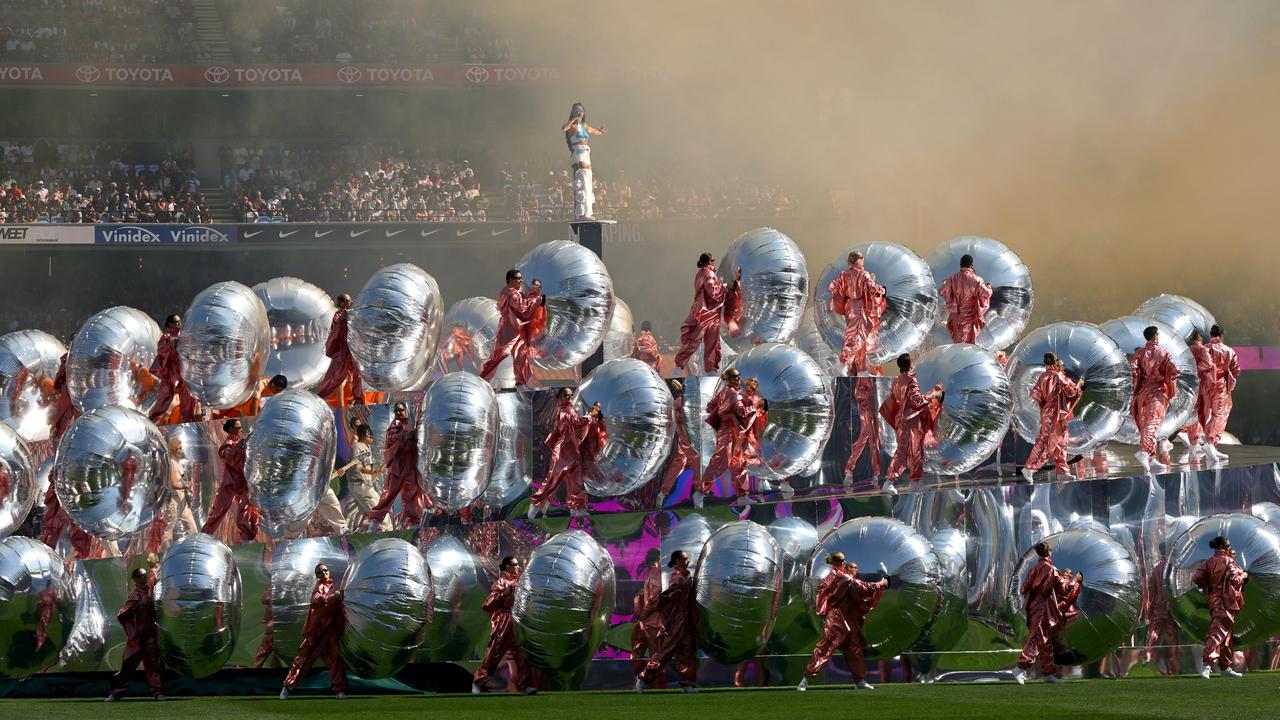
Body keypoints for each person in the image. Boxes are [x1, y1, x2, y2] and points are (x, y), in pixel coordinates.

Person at [797, 552, 888, 691]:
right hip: (837, 618)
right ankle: (805, 679)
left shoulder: (837, 576)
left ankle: (860, 681)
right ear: (835, 563)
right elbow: (860, 585)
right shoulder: (839, 576)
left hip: (848, 617)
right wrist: (880, 583)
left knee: (854, 649)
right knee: (825, 648)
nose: (844, 563)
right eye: (842, 561)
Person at [527, 387, 605, 520]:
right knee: (553, 479)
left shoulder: (569, 409)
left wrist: (592, 417)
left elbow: (578, 424)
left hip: (573, 452)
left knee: (576, 481)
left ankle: (578, 508)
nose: (568, 397)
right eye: (565, 395)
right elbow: (575, 422)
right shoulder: (563, 411)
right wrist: (589, 416)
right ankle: (536, 504)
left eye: (570, 394)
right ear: (560, 397)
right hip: (562, 452)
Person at [1012, 542, 1082, 685]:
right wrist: (1074, 580)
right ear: (1049, 552)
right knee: (1038, 638)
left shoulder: (1035, 569)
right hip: (1044, 608)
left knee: (1046, 641)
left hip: (1034, 607)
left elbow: (1023, 589)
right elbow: (1063, 589)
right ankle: (1020, 668)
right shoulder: (1052, 570)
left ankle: (1048, 673)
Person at [697, 368, 766, 509]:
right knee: (721, 460)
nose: (738, 379)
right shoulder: (733, 394)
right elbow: (742, 412)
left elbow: (710, 407)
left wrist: (724, 414)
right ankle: (701, 492)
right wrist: (755, 406)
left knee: (739, 461)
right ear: (729, 379)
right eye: (735, 377)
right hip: (729, 431)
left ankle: (742, 496)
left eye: (739, 376)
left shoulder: (724, 392)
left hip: (733, 430)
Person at [280, 563, 348, 699]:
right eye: (320, 572)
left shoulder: (335, 586)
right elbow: (316, 600)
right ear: (317, 575)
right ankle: (287, 687)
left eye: (325, 570)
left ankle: (339, 689)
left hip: (330, 631)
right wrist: (333, 597)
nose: (324, 573)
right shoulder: (319, 587)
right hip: (316, 630)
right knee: (303, 659)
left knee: (334, 659)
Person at [472, 556, 538, 695]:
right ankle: (479, 681)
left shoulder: (523, 582)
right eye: (515, 564)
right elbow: (488, 604)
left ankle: (526, 685)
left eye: (518, 564)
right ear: (507, 566)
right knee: (494, 653)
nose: (518, 567)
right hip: (504, 621)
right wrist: (503, 595)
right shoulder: (501, 582)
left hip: (519, 621)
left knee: (522, 654)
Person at [635, 551, 698, 694]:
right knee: (664, 653)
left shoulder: (685, 577)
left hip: (686, 621)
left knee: (687, 652)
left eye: (687, 559)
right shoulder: (677, 578)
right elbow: (666, 598)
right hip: (675, 622)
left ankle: (687, 684)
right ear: (677, 562)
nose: (687, 561)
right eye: (684, 559)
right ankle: (644, 679)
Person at [880, 354, 944, 495]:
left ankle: (915, 482)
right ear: (910, 365)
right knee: (903, 453)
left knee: (916, 452)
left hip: (905, 421)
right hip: (909, 421)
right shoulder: (911, 381)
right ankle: (889, 481)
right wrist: (933, 394)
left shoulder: (897, 381)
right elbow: (917, 402)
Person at [106, 556, 165, 701]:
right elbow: (123, 613)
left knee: (154, 664)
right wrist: (138, 606)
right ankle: (116, 692)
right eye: (140, 576)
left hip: (150, 635)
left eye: (144, 575)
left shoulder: (151, 591)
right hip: (138, 637)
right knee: (128, 665)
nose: (143, 578)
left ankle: (158, 692)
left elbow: (155, 579)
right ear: (135, 579)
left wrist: (154, 567)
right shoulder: (136, 595)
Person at [673, 253, 740, 376]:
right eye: (712, 261)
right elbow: (713, 292)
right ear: (709, 262)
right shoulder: (708, 274)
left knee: (707, 342)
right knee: (703, 341)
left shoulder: (701, 274)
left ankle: (706, 370)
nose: (714, 263)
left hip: (709, 312)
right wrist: (727, 287)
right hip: (706, 313)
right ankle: (683, 369)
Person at [1020, 354, 1084, 483]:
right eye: (1061, 364)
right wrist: (1079, 386)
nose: (1062, 367)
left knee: (1060, 441)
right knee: (1048, 441)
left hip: (1049, 411)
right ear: (1055, 362)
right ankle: (1030, 467)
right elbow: (1070, 392)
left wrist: (1045, 404)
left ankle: (1062, 471)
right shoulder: (1058, 375)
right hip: (1056, 412)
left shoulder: (1043, 376)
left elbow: (1035, 393)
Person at [478, 269, 546, 388]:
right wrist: (536, 299)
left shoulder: (512, 292)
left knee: (521, 355)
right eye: (518, 278)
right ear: (510, 280)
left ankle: (521, 383)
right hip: (509, 330)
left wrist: (532, 294)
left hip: (517, 329)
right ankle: (483, 379)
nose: (520, 280)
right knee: (500, 354)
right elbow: (523, 308)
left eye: (520, 278)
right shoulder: (511, 293)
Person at [366, 402, 429, 530]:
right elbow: (392, 438)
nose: (399, 413)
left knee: (412, 492)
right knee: (389, 494)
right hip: (398, 466)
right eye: (397, 411)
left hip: (410, 464)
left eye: (401, 410)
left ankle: (414, 520)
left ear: (406, 410)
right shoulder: (394, 426)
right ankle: (375, 521)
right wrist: (404, 436)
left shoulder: (410, 423)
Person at [1194, 536, 1247, 679]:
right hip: (1226, 601)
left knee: (1226, 633)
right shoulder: (1229, 561)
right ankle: (1207, 664)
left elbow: (1197, 578)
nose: (1230, 548)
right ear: (1224, 547)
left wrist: (1210, 586)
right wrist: (1244, 575)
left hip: (1214, 600)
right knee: (1218, 632)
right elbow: (1235, 579)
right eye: (1228, 545)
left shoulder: (1208, 562)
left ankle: (1225, 667)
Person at [200, 419, 259, 544]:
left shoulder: (241, 441)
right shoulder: (228, 444)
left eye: (240, 427)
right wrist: (241, 446)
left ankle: (247, 537)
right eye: (238, 427)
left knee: (247, 508)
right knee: (218, 511)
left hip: (242, 481)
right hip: (230, 483)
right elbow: (229, 459)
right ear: (231, 429)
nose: (240, 430)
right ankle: (204, 535)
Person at [828, 250, 887, 375]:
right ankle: (843, 363)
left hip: (850, 307)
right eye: (862, 258)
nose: (863, 260)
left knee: (862, 338)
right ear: (858, 259)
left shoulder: (845, 274)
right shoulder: (862, 274)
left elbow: (833, 286)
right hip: (860, 308)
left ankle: (862, 368)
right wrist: (881, 289)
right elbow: (872, 287)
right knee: (857, 336)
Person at [1130, 326, 1180, 473]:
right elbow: (1175, 370)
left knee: (1146, 424)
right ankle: (1144, 451)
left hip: (1142, 393)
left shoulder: (1139, 353)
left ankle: (1151, 458)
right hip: (1156, 393)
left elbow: (1132, 370)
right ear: (1156, 336)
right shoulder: (1163, 353)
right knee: (1153, 423)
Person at [313, 294, 364, 406]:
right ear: (340, 303)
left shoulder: (354, 313)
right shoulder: (339, 315)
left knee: (358, 374)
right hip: (343, 351)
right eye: (346, 301)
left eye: (350, 300)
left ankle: (358, 400)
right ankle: (323, 398)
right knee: (336, 376)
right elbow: (336, 329)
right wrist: (343, 320)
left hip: (353, 350)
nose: (349, 302)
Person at [148, 314, 198, 424]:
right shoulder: (167, 336)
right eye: (176, 322)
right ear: (170, 324)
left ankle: (188, 419)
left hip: (184, 371)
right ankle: (153, 420)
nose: (179, 324)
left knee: (188, 395)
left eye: (180, 321)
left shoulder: (184, 335)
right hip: (171, 371)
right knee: (166, 396)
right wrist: (171, 346)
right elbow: (161, 350)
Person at [657, 380, 700, 507]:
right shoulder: (682, 402)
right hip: (688, 437)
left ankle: (663, 492)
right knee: (697, 460)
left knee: (679, 462)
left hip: (684, 437)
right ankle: (699, 492)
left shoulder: (679, 402)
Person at [562, 102, 607, 220]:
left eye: (580, 110)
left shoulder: (585, 126)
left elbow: (594, 131)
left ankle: (588, 212)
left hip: (586, 152)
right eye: (576, 110)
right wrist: (574, 119)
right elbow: (564, 128)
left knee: (588, 179)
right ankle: (580, 213)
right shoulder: (572, 126)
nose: (579, 112)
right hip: (577, 151)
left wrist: (601, 131)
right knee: (581, 178)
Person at [1204, 324, 1240, 464]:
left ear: (1210, 334)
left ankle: (1211, 446)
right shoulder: (1229, 351)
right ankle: (1210, 443)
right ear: (1222, 335)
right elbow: (1236, 369)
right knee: (1219, 415)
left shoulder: (1204, 349)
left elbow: (1200, 366)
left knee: (1207, 415)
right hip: (1221, 387)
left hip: (1206, 387)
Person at [938, 254, 993, 344]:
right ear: (971, 265)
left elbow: (941, 291)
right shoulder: (977, 280)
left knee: (958, 342)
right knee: (969, 343)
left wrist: (945, 284)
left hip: (956, 316)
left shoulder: (952, 278)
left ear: (960, 264)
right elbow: (987, 293)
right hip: (971, 316)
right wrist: (989, 286)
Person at [343, 424, 387, 531]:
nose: (372, 436)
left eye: (371, 434)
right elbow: (358, 467)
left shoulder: (368, 448)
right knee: (381, 516)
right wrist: (373, 472)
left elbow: (367, 470)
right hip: (360, 485)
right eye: (369, 434)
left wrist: (377, 473)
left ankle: (345, 534)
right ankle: (387, 532)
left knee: (351, 517)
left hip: (362, 485)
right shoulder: (357, 447)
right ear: (362, 435)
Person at [842, 375, 883, 488]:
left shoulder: (874, 375)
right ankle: (849, 471)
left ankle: (875, 474)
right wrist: (872, 394)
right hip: (866, 414)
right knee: (862, 442)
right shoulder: (863, 377)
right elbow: (859, 394)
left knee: (874, 443)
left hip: (874, 412)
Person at [1181, 330, 1216, 460]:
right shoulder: (1202, 349)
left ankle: (1192, 443)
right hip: (1201, 386)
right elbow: (1208, 364)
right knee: (1199, 414)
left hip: (1189, 386)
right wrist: (1197, 370)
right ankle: (1194, 444)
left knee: (1192, 412)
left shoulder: (1186, 350)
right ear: (1199, 337)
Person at [631, 549, 665, 684]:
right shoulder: (656, 573)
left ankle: (643, 681)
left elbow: (653, 598)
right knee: (655, 654)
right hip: (653, 621)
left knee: (648, 653)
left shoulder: (654, 573)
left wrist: (642, 616)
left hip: (649, 621)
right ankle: (649, 682)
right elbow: (654, 598)